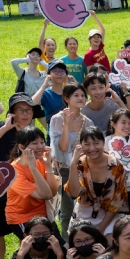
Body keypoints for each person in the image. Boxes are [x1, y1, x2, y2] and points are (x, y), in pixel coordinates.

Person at [0, 93, 44, 259]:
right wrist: (5, 128)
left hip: (24, 189)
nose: (25, 114)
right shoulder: (1, 127)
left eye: (28, 110)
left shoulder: (33, 133)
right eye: (20, 110)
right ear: (12, 112)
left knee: (26, 232)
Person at [66, 127, 128, 237]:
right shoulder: (79, 164)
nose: (92, 148)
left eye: (96, 143)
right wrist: (73, 164)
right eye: (87, 144)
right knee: (78, 243)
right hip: (84, 211)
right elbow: (74, 193)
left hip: (109, 214)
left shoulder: (116, 166)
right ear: (80, 145)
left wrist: (100, 230)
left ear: (103, 142)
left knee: (109, 241)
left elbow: (116, 203)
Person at [50, 83, 94, 235]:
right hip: (63, 169)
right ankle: (66, 245)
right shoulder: (57, 119)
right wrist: (66, 125)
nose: (81, 98)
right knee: (66, 212)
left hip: (82, 169)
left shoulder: (87, 121)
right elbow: (62, 147)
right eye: (76, 95)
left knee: (83, 209)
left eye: (83, 95)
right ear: (66, 98)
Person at [4, 126, 60, 237]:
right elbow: (46, 194)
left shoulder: (45, 159)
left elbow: (52, 192)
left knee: (61, 247)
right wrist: (33, 168)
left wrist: (48, 166)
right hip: (21, 217)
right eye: (34, 143)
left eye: (42, 142)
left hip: (43, 214)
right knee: (36, 247)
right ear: (21, 147)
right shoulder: (13, 172)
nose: (40, 147)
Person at [32, 60, 70, 129]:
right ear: (49, 75)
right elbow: (32, 104)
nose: (59, 74)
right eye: (55, 71)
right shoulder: (46, 93)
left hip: (72, 133)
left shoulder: (71, 92)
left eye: (62, 71)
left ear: (66, 75)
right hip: (54, 134)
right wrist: (43, 86)